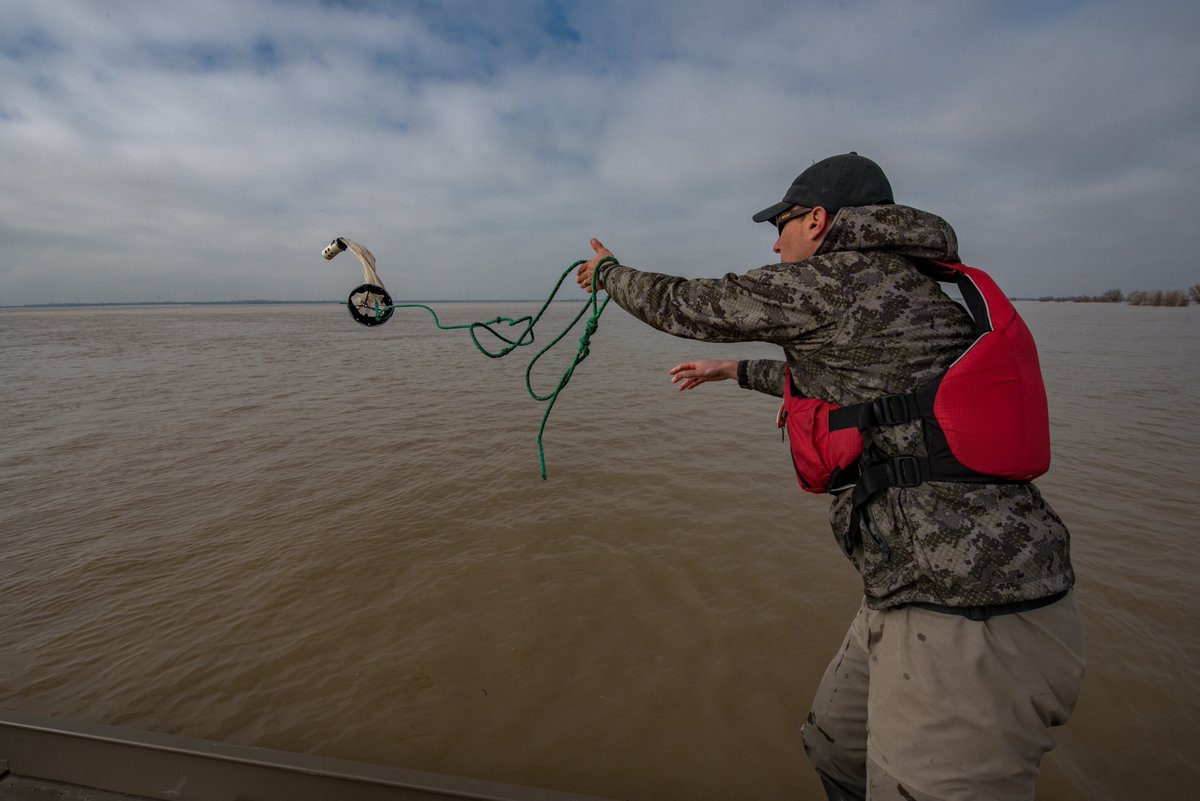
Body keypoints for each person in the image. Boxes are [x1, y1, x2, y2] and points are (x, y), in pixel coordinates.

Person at [574, 153, 1084, 801]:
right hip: (921, 583)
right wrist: (731, 372)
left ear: (816, 220)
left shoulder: (838, 279)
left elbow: (690, 305)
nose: (774, 242)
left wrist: (609, 274)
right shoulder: (905, 286)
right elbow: (860, 387)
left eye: (780, 224)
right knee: (836, 746)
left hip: (969, 610)